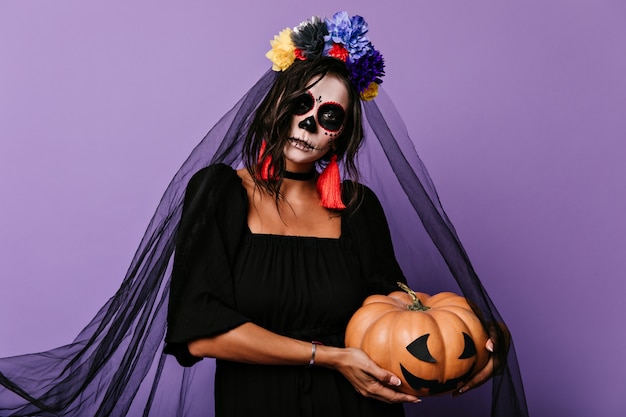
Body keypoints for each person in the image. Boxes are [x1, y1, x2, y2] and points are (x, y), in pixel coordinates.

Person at [0, 12, 528, 417]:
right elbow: (200, 332)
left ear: (341, 135)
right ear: (274, 104)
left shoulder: (359, 211)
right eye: (298, 104)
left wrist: (481, 349)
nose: (307, 123)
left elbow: (395, 314)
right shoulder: (219, 195)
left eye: (328, 117)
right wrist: (333, 357)